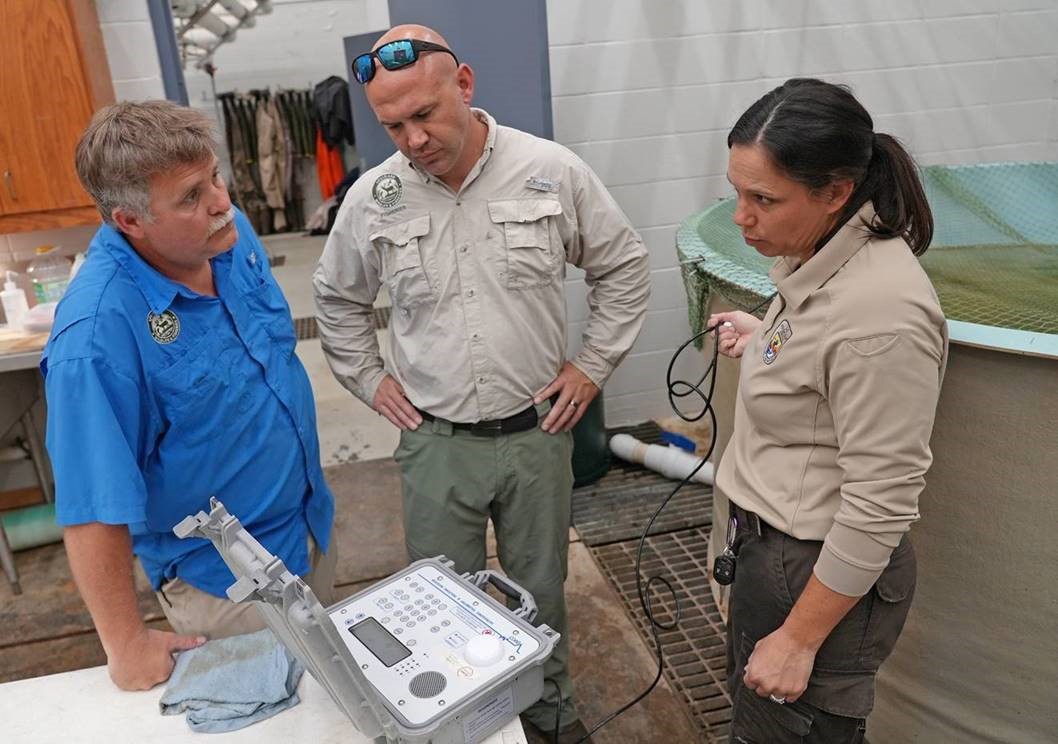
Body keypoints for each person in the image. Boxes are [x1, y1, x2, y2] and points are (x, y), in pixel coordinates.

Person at [313, 25, 650, 743]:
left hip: (536, 436)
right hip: (436, 444)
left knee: (541, 596)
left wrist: (591, 365)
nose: (413, 139)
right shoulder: (375, 198)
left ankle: (550, 717)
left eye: (426, 114)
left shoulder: (550, 172)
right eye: (393, 126)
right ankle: (467, 726)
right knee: (440, 604)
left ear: (464, 84)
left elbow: (623, 266)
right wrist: (369, 379)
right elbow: (337, 301)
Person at [42, 101, 336, 691]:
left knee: (332, 703)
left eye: (216, 178)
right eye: (190, 197)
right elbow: (93, 505)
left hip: (309, 528)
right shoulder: (98, 335)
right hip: (227, 589)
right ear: (130, 221)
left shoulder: (223, 233)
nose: (221, 201)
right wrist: (126, 646)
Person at [706, 78, 949, 743]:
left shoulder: (882, 317)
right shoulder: (818, 258)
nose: (741, 217)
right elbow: (827, 368)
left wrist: (798, 640)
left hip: (811, 574)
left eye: (763, 199)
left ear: (837, 191)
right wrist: (767, 345)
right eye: (738, 191)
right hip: (772, 553)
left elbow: (881, 499)